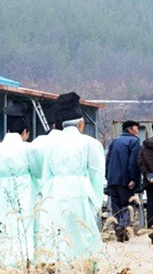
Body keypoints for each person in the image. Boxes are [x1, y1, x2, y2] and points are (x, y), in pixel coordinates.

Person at [39, 92, 106, 263]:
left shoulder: (50, 143)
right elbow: (97, 176)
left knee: (59, 238)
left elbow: (46, 175)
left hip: (54, 195)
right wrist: (95, 203)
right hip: (79, 193)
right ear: (81, 124)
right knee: (83, 239)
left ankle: (60, 271)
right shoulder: (91, 143)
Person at [0, 101, 43, 268]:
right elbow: (39, 172)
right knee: (24, 230)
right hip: (25, 196)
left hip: (2, 197)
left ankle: (7, 269)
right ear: (25, 131)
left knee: (5, 233)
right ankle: (25, 267)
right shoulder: (28, 149)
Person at [106, 120, 141, 242]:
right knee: (130, 205)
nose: (138, 130)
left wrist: (108, 176)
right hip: (125, 179)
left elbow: (108, 160)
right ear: (130, 129)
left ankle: (121, 234)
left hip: (112, 179)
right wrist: (133, 178)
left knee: (116, 206)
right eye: (136, 128)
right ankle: (122, 226)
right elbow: (133, 162)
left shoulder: (114, 141)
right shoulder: (134, 141)